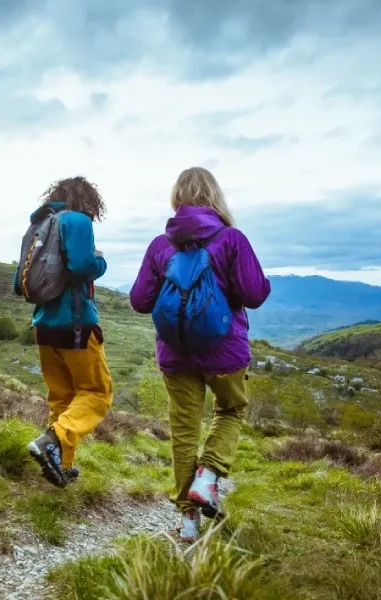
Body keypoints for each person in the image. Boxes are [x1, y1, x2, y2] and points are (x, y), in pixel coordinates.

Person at [129, 166, 271, 543]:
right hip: (225, 353)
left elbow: (139, 300)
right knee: (231, 410)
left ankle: (188, 524)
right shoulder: (231, 239)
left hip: (175, 356)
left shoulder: (161, 245)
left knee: (183, 433)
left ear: (177, 197)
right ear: (214, 196)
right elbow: (255, 295)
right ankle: (208, 477)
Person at [14, 176, 114, 488]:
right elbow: (83, 267)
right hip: (76, 326)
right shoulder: (77, 220)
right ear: (87, 202)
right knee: (97, 393)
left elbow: (19, 283)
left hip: (43, 327)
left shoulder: (37, 227)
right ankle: (54, 440)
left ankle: (60, 465)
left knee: (62, 399)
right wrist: (100, 261)